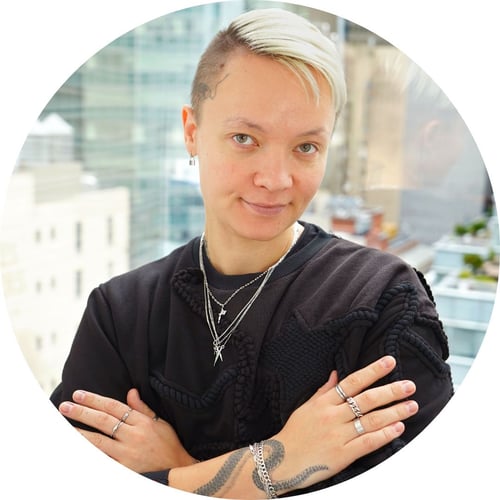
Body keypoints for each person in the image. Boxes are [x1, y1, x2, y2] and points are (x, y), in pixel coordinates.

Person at [50, 8, 454, 497]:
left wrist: (176, 471)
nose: (275, 179)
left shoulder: (383, 301)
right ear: (192, 131)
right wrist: (288, 460)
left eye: (306, 147)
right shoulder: (120, 313)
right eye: (245, 139)